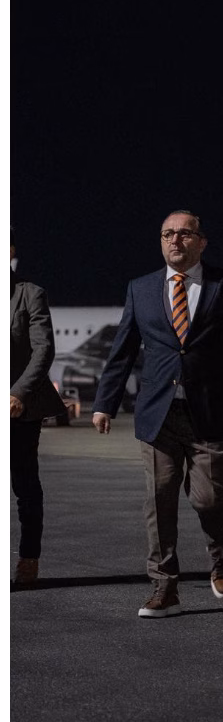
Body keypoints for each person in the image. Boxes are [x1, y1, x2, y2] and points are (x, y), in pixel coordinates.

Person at [91, 210, 223, 618]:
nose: (175, 240)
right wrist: (105, 402)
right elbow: (123, 350)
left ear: (201, 242)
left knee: (209, 499)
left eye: (184, 233)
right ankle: (164, 586)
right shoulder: (141, 288)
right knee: (159, 500)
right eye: (167, 234)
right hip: (159, 414)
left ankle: (219, 555)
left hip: (211, 411)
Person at [12, 240, 64, 589]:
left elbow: (43, 350)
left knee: (25, 487)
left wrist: (18, 393)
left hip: (18, 409)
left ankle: (28, 558)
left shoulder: (29, 294)